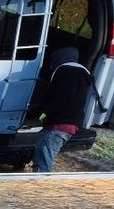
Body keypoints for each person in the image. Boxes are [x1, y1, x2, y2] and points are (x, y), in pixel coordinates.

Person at [34, 43, 93, 173]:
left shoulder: (64, 72)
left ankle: (39, 187)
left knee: (43, 160)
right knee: (45, 155)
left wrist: (43, 114)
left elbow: (60, 97)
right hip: (72, 124)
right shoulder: (82, 75)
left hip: (58, 125)